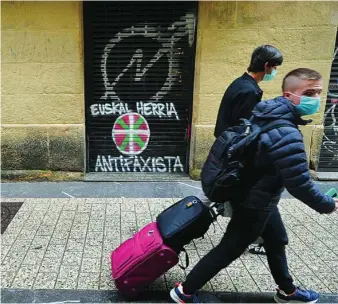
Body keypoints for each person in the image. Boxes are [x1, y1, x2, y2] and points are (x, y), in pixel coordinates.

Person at [170, 68, 338, 304]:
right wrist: (328, 204)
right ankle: (184, 292)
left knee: (276, 239)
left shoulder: (267, 112)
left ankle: (287, 291)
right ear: (289, 95)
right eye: (309, 92)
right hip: (254, 202)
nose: (315, 98)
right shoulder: (286, 132)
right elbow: (299, 184)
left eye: (319, 92)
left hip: (254, 193)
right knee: (229, 249)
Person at [214, 44, 284, 255]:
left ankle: (182, 220)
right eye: (274, 67)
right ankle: (258, 238)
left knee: (218, 193)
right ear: (266, 66)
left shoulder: (240, 83)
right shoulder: (250, 91)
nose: (274, 72)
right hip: (233, 152)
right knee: (250, 196)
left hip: (225, 148)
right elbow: (243, 128)